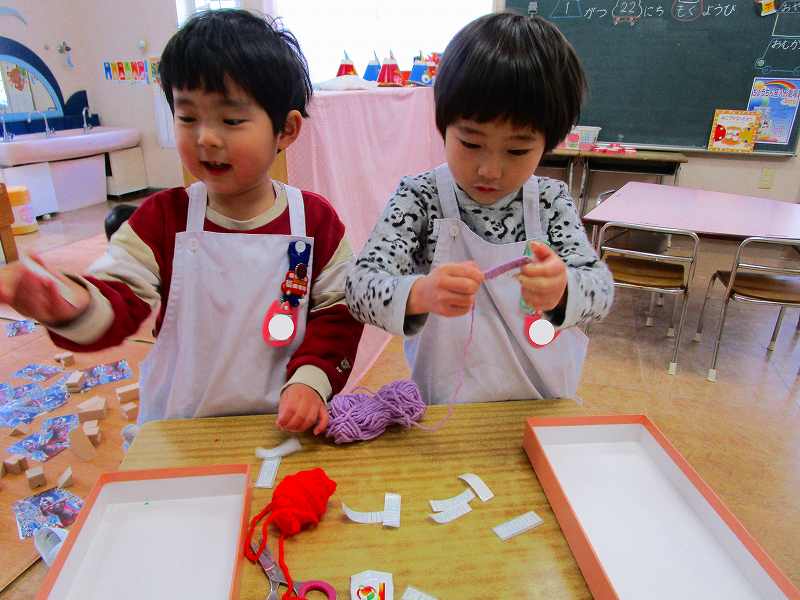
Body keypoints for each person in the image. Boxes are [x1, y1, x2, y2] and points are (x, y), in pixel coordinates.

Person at [0, 9, 363, 434]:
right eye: (188, 117)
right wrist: (70, 305)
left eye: (231, 120)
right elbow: (117, 299)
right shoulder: (161, 219)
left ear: (286, 129)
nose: (205, 137)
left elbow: (339, 313)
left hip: (281, 425)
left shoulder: (315, 222)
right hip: (179, 427)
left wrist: (311, 381)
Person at [345, 12, 613, 404]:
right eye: (471, 144)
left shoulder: (551, 201)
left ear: (548, 143)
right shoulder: (421, 197)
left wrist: (563, 290)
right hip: (445, 411)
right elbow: (359, 288)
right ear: (443, 126)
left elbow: (601, 292)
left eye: (517, 150)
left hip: (543, 405)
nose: (490, 170)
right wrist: (420, 292)